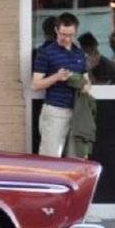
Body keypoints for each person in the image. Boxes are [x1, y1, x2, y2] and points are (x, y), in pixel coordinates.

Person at [32, 13, 89, 157]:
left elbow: (87, 81)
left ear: (76, 32)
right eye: (63, 34)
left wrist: (84, 86)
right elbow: (35, 85)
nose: (67, 38)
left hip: (77, 111)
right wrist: (57, 77)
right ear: (56, 30)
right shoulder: (46, 53)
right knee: (51, 157)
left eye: (71, 35)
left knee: (75, 157)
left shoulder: (79, 53)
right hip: (55, 111)